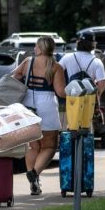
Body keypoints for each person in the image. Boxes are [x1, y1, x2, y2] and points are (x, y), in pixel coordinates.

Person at [11, 36, 65, 195]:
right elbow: (61, 92)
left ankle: (33, 179)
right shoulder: (56, 67)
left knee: (33, 146)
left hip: (28, 105)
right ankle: (34, 174)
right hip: (47, 105)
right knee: (49, 146)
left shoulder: (28, 62)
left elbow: (14, 76)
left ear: (41, 48)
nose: (34, 49)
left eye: (36, 46)